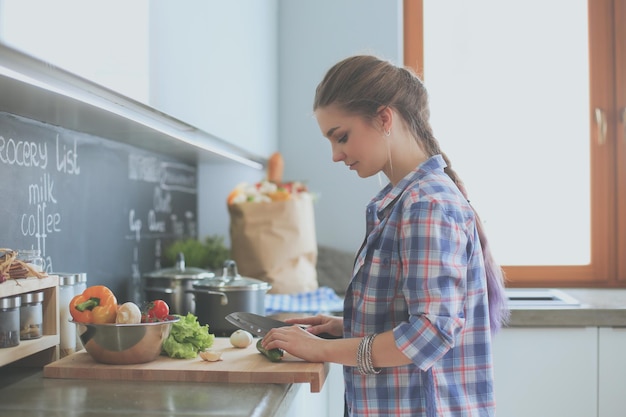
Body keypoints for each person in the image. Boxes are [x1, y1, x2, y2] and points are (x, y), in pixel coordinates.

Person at [261, 55, 509, 417]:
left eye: (341, 136)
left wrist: (321, 350)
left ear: (384, 118)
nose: (335, 155)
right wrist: (343, 328)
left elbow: (429, 333)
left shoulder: (426, 205)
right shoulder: (407, 200)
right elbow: (412, 316)